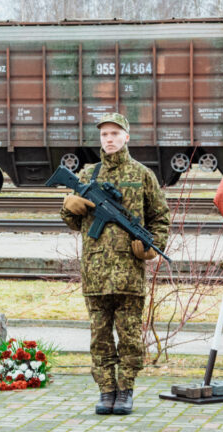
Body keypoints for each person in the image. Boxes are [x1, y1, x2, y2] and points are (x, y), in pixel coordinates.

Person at [60, 112, 169, 415]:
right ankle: (106, 390)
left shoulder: (142, 175)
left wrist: (152, 247)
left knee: (130, 336)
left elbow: (161, 218)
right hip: (95, 272)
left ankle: (126, 391)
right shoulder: (87, 175)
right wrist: (69, 207)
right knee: (100, 337)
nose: (109, 139)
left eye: (114, 134)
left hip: (129, 275)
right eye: (104, 134)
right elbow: (71, 220)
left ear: (126, 137)